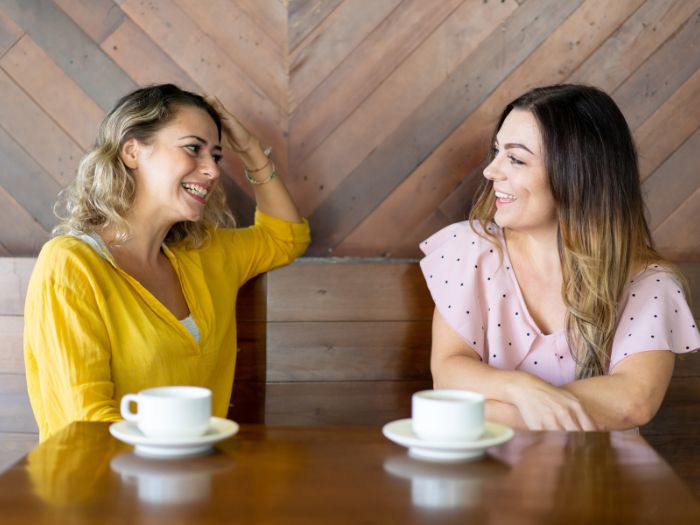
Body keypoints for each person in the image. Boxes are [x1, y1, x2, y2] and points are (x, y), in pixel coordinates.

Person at [24, 84, 310, 441]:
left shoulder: (204, 255)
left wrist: (250, 149)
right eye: (193, 148)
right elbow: (86, 420)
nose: (213, 170)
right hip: (100, 487)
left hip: (192, 481)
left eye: (217, 156)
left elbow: (285, 238)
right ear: (132, 152)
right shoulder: (70, 265)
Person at [421, 84, 699, 431]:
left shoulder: (649, 284)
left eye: (516, 158)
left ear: (577, 173)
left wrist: (493, 408)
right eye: (496, 151)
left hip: (598, 478)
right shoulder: (470, 250)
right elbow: (448, 372)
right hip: (486, 471)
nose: (491, 171)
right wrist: (522, 388)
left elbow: (634, 401)